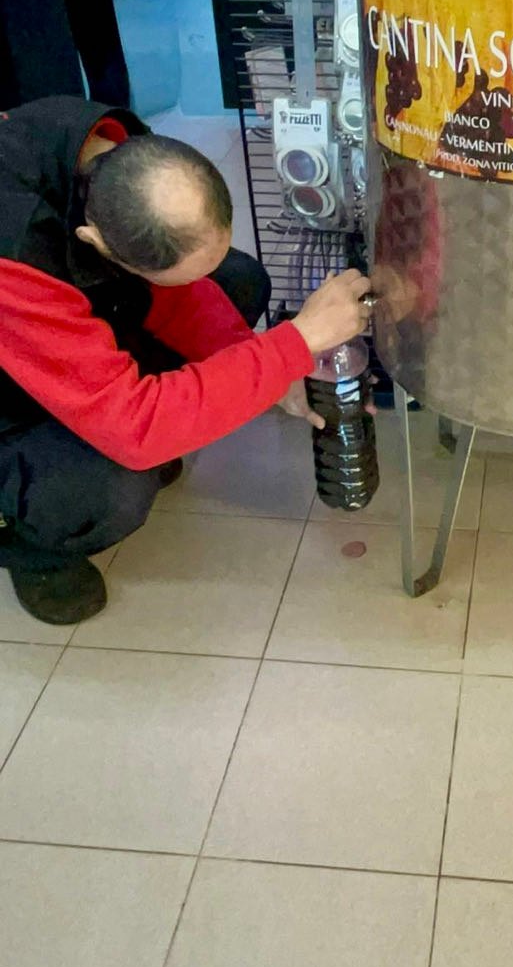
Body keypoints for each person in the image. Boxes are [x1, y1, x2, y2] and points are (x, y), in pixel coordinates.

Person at [0, 96, 370, 624]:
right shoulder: (15, 251)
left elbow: (179, 293)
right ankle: (34, 547)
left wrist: (273, 371)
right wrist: (293, 344)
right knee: (113, 483)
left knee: (236, 281)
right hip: (10, 388)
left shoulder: (111, 152)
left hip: (56, 330)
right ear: (93, 240)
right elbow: (136, 427)